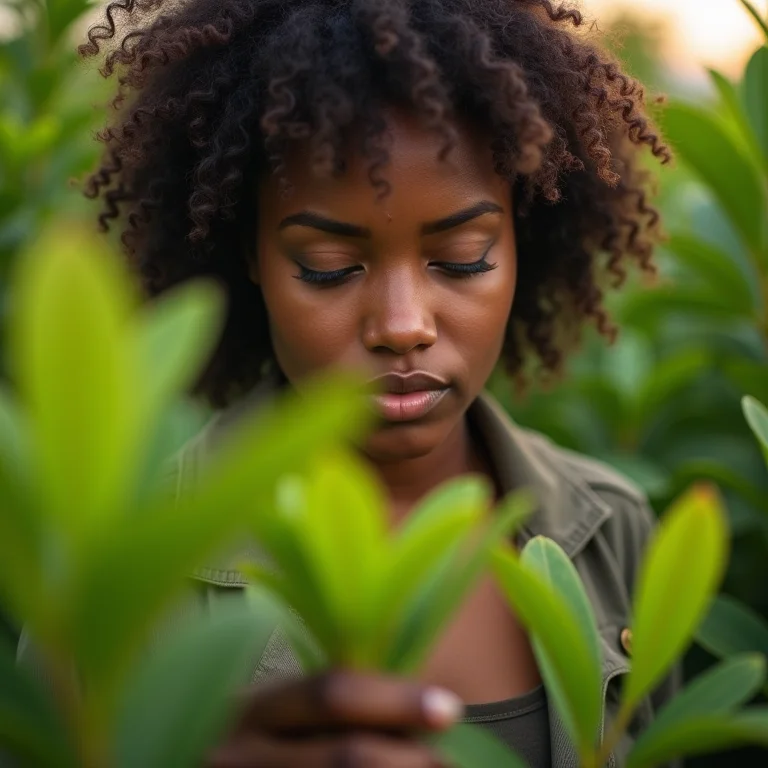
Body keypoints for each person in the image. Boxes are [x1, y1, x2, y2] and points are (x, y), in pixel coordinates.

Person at [79, 0, 678, 765]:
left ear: (522, 240)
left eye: (461, 257)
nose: (402, 325)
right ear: (251, 255)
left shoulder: (616, 531)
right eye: (328, 266)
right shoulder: (122, 563)